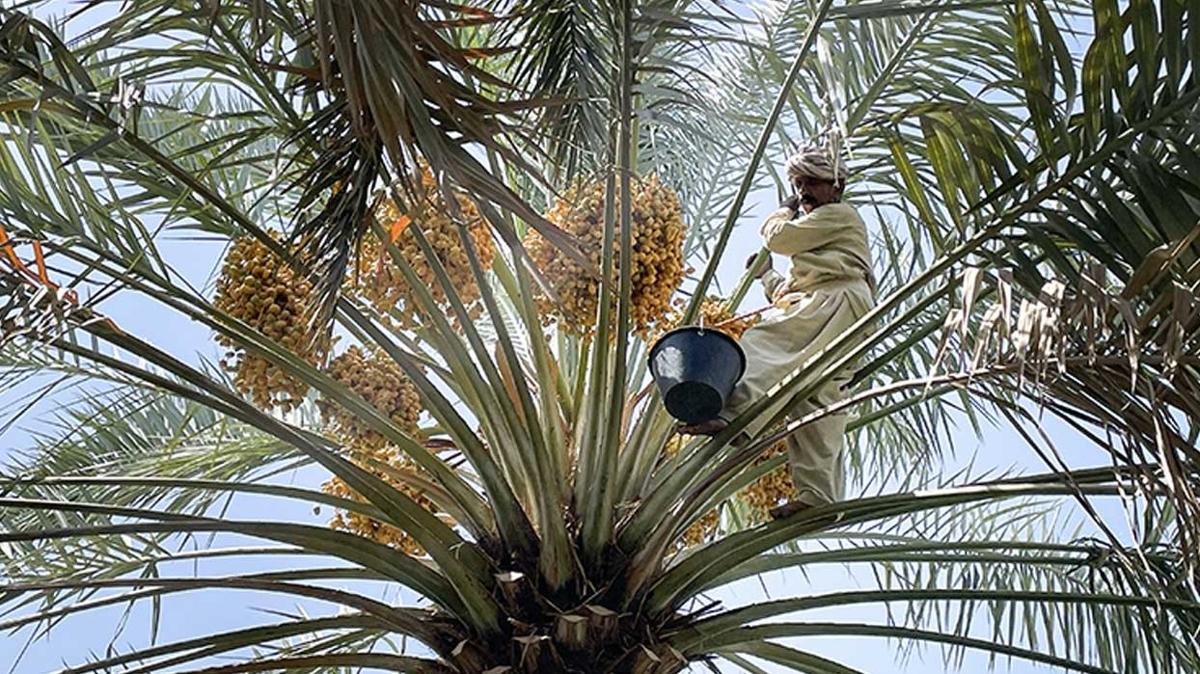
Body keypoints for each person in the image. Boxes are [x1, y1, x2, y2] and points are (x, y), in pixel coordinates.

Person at [679, 143, 875, 519]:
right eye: (798, 185)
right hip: (839, 310)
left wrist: (783, 210)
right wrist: (766, 276)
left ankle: (734, 413)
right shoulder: (822, 238)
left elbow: (779, 238)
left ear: (835, 186)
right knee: (815, 400)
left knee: (764, 342)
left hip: (837, 302)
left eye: (810, 184)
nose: (804, 194)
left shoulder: (841, 215)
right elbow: (792, 293)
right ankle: (820, 496)